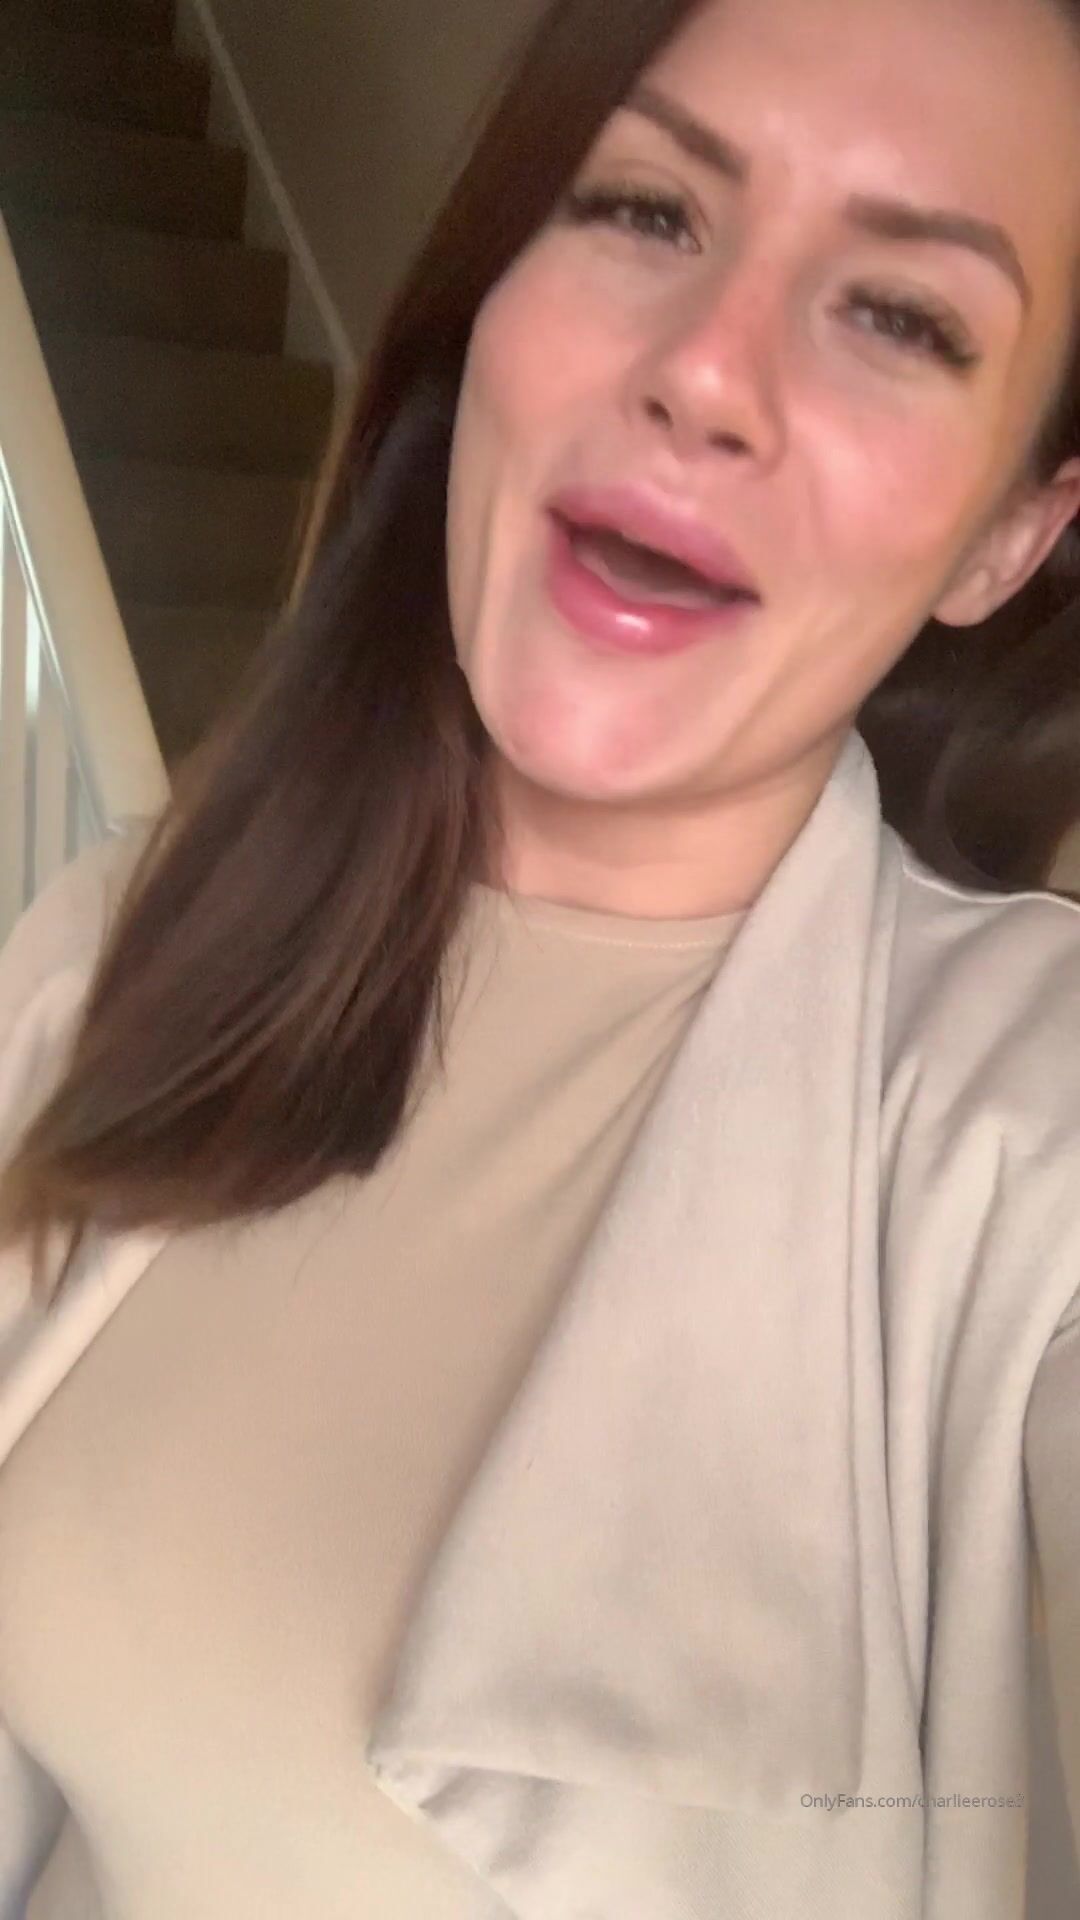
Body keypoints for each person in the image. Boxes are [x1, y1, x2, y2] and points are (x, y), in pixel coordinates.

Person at [1, 0, 1080, 1912]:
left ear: (1010, 535)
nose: (709, 373)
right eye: (648, 209)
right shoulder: (119, 940)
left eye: (903, 317)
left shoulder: (1028, 1136)